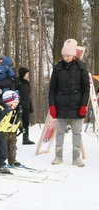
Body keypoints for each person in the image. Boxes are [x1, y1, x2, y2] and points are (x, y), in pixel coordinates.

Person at [49, 38, 89, 167]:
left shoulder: (81, 68)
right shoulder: (58, 68)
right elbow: (52, 88)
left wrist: (83, 105)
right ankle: (58, 156)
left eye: (68, 55)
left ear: (73, 55)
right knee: (60, 132)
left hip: (76, 106)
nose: (66, 57)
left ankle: (76, 157)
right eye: (64, 55)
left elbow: (85, 89)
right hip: (61, 105)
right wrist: (52, 105)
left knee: (76, 132)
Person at [17, 67, 35, 145]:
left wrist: (30, 106)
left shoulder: (27, 83)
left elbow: (28, 96)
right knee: (16, 124)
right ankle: (11, 140)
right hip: (18, 106)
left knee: (26, 124)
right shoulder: (18, 82)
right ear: (23, 74)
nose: (28, 75)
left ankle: (25, 138)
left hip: (26, 106)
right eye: (27, 74)